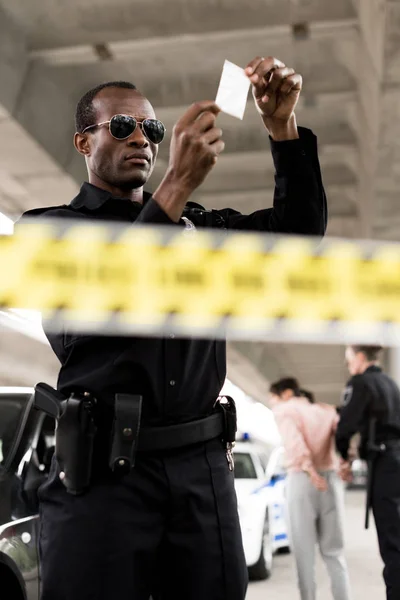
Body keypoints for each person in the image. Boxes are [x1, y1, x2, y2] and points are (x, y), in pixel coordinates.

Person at [19, 55, 327, 600]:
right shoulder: (47, 231)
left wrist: (282, 129)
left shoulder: (199, 228)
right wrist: (176, 185)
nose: (141, 137)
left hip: (202, 475)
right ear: (83, 143)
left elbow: (298, 237)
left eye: (152, 128)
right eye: (121, 126)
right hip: (102, 481)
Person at [270, 377, 352, 600]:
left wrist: (310, 471)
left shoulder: (285, 410)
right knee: (335, 553)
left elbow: (295, 444)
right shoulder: (327, 411)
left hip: (302, 480)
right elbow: (344, 437)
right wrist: (345, 464)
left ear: (286, 394)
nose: (273, 404)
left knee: (304, 556)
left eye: (273, 399)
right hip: (331, 480)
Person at [336, 345, 400, 600]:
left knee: (393, 544)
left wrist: (344, 456)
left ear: (360, 358)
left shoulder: (361, 383)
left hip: (385, 467)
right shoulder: (391, 384)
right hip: (396, 459)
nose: (348, 365)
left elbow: (345, 427)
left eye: (349, 359)